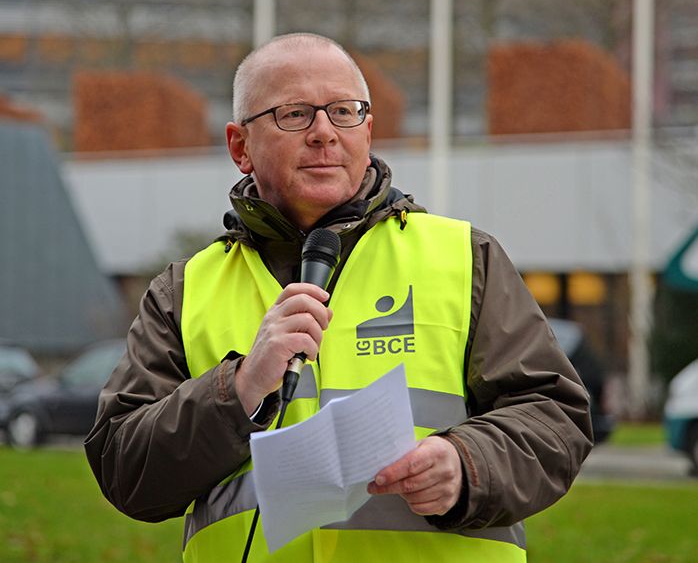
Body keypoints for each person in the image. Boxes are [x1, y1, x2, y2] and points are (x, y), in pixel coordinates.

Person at [85, 33, 593, 563]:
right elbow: (124, 468)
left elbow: (555, 415)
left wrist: (469, 465)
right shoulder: (184, 291)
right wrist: (236, 389)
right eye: (295, 114)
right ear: (240, 147)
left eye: (344, 112)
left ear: (367, 131)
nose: (324, 133)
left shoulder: (465, 257)